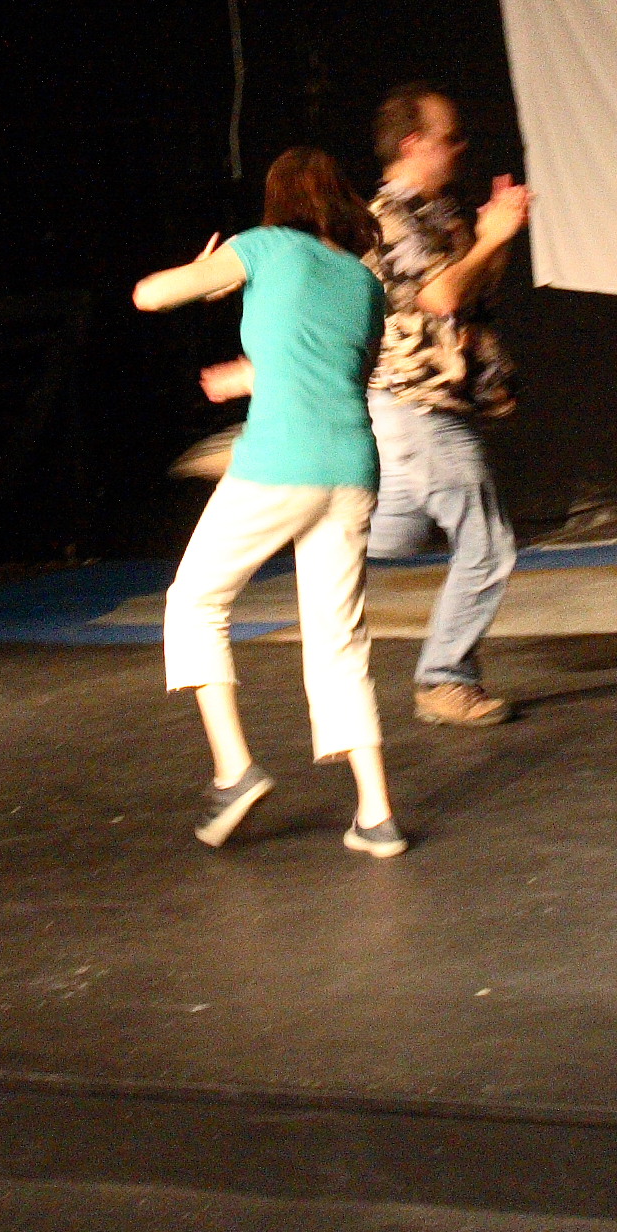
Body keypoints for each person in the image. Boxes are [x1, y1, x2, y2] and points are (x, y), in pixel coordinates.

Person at [131, 147, 404, 857]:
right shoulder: (363, 282)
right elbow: (333, 369)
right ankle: (376, 813)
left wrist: (206, 273)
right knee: (339, 640)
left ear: (278, 201)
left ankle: (235, 771)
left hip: (281, 461)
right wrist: (251, 375)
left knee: (195, 601)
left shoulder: (263, 246)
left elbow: (148, 296)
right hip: (351, 466)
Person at [364, 83, 532, 726]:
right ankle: (443, 678)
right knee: (489, 546)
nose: (460, 147)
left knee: (390, 536)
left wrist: (497, 235)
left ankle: (280, 479)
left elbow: (472, 292)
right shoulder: (389, 217)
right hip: (419, 404)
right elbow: (440, 297)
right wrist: (489, 238)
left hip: (424, 405)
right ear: (413, 144)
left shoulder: (437, 213)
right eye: (449, 137)